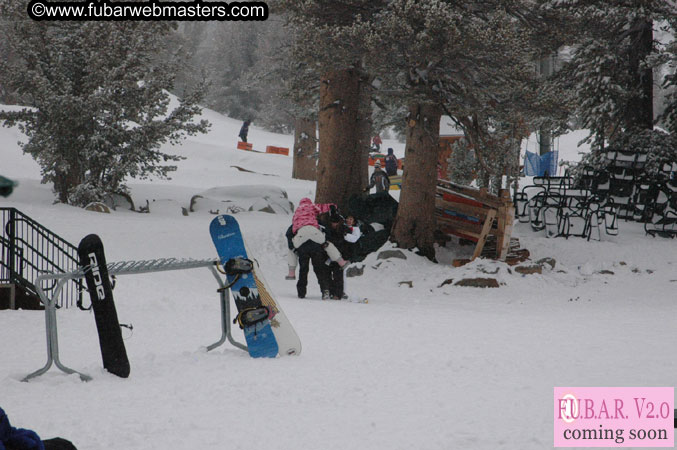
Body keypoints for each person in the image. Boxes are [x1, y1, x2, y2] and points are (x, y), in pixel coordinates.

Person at [286, 198, 348, 281]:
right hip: (314, 231)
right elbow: (323, 207)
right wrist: (333, 206)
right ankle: (341, 262)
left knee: (292, 250)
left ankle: (291, 273)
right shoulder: (312, 206)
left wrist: (293, 244)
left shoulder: (297, 212)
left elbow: (292, 229)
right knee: (327, 245)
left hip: (301, 232)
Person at [285, 224, 330, 299]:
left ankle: (301, 292)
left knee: (303, 270)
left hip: (303, 248)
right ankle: (325, 290)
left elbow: (288, 233)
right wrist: (324, 243)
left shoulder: (298, 221)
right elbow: (327, 230)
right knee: (319, 270)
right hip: (316, 248)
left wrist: (292, 247)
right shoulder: (316, 221)